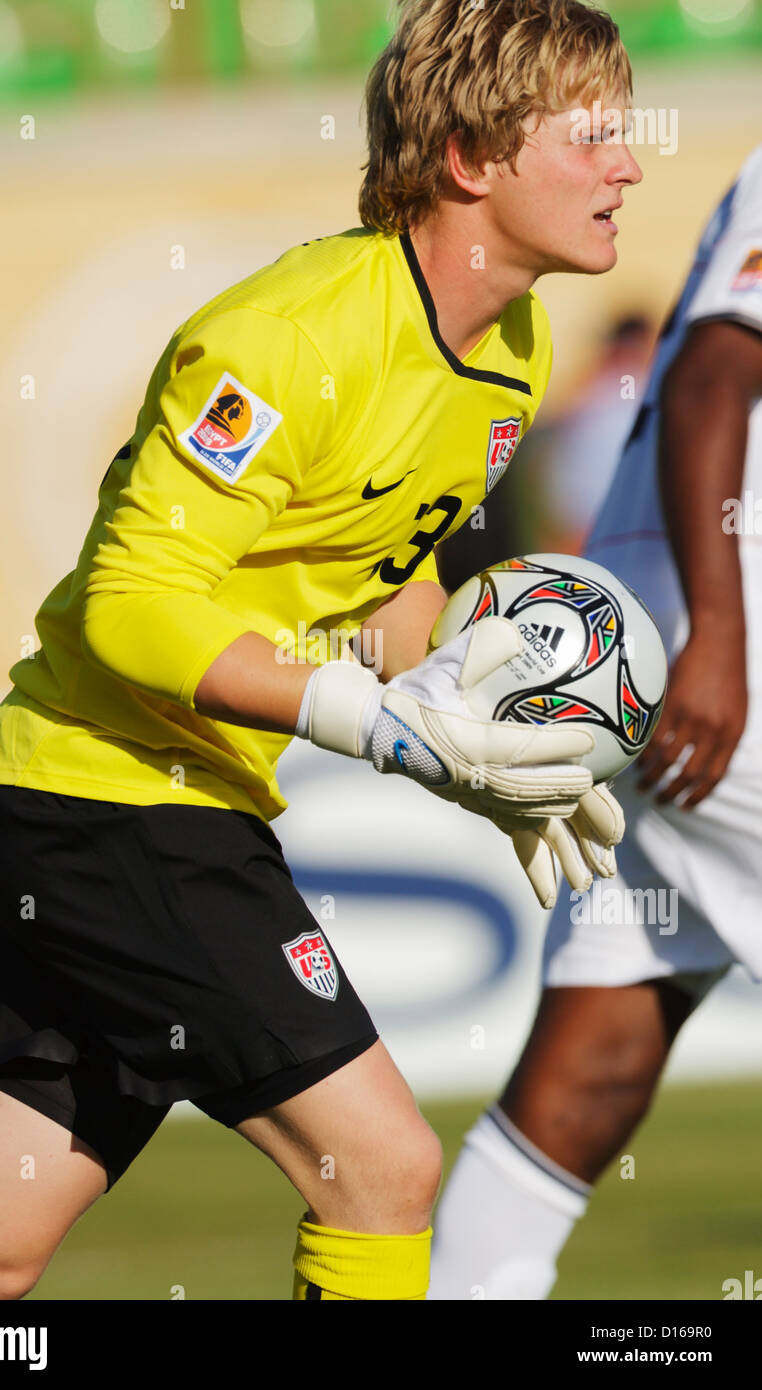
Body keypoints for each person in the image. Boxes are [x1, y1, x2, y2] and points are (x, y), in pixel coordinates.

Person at [0, 0, 638, 1303]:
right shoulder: (285, 341)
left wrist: (482, 749)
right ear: (468, 157)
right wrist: (369, 722)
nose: (626, 164)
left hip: (158, 805)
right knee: (385, 1168)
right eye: (587, 135)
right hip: (106, 800)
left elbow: (387, 581)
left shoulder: (508, 352)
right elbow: (129, 605)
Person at [429, 143, 762, 1302]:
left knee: (588, 1076)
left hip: (655, 678)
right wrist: (719, 637)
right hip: (731, 662)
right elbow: (719, 369)